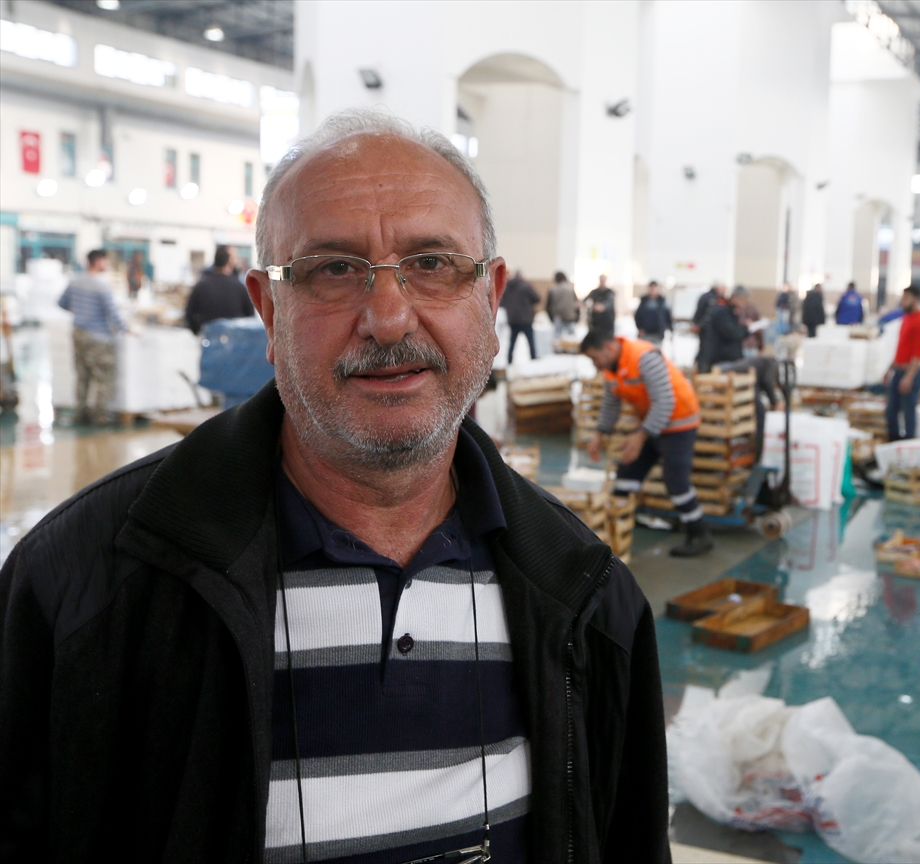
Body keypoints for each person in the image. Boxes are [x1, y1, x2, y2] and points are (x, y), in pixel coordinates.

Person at [1, 109, 669, 863]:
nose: (388, 319)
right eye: (333, 270)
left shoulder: (588, 600)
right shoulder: (81, 591)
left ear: (490, 298)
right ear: (268, 309)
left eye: (432, 263)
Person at [581, 329, 711, 557]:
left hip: (679, 423)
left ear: (608, 348)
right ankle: (618, 529)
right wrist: (599, 434)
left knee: (676, 481)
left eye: (595, 358)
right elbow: (611, 403)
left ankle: (699, 534)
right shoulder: (610, 369)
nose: (595, 364)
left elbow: (665, 401)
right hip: (651, 423)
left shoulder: (644, 358)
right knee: (627, 472)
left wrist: (640, 436)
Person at [57, 248, 126, 425]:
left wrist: (80, 312)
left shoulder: (75, 281)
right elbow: (112, 312)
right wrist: (126, 329)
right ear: (98, 261)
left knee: (83, 375)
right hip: (98, 337)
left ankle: (80, 413)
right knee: (104, 376)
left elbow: (61, 303)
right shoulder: (101, 286)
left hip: (78, 334)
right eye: (105, 260)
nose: (107, 264)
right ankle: (99, 415)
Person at [885, 285, 920, 441]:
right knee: (891, 411)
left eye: (906, 298)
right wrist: (889, 369)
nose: (902, 301)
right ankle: (894, 442)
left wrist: (909, 377)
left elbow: (918, 354)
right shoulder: (907, 319)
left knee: (908, 413)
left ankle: (908, 443)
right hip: (898, 370)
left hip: (910, 372)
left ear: (916, 299)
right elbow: (902, 348)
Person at [184, 245, 255, 334]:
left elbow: (189, 313)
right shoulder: (239, 287)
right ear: (229, 261)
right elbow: (250, 317)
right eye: (234, 257)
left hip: (208, 337)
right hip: (234, 337)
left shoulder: (201, 285)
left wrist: (198, 332)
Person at [500, 268, 540, 363]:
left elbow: (502, 302)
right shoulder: (526, 285)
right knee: (530, 341)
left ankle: (509, 360)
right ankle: (533, 358)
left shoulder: (508, 286)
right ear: (521, 276)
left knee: (512, 342)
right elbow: (537, 298)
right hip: (526, 318)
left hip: (513, 319)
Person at [634, 280, 672, 345]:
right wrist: (639, 328)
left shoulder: (662, 302)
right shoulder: (644, 302)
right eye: (651, 288)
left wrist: (671, 331)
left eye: (655, 288)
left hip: (658, 334)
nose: (653, 290)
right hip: (645, 334)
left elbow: (668, 317)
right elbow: (637, 316)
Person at [546, 269, 579, 343]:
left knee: (557, 338)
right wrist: (577, 317)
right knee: (572, 338)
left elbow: (548, 305)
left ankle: (557, 349)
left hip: (558, 316)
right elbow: (576, 303)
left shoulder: (553, 289)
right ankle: (572, 348)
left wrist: (551, 317)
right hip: (570, 316)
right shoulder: (570, 288)